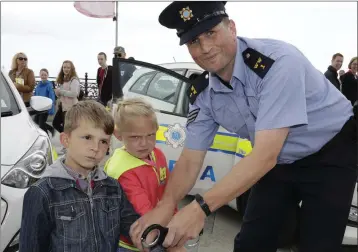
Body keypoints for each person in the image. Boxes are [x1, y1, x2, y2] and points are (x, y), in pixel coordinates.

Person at [129, 2, 357, 252]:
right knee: (251, 242)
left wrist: (200, 208)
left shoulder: (278, 63)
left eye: (211, 33)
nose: (205, 48)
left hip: (331, 152)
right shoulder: (204, 94)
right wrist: (163, 209)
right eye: (194, 41)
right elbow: (190, 160)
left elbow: (265, 155)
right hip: (279, 160)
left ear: (232, 28)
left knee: (319, 245)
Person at [19, 100, 140, 252]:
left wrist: (158, 241)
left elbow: (135, 228)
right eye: (87, 137)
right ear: (65, 140)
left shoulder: (112, 188)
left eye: (103, 141)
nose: (95, 148)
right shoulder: (42, 193)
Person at [104, 98, 184, 252]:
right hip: (133, 243)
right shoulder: (122, 170)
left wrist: (176, 221)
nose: (144, 143)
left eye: (150, 135)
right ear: (118, 135)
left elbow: (169, 192)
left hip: (159, 230)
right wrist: (171, 236)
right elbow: (144, 211)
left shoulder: (157, 154)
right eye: (135, 137)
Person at [52, 60, 81, 136]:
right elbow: (62, 93)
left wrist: (61, 92)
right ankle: (68, 139)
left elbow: (74, 93)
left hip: (71, 108)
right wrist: (57, 93)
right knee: (55, 123)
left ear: (72, 69)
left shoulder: (74, 80)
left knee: (67, 128)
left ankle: (68, 143)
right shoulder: (63, 79)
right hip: (63, 107)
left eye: (68, 67)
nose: (66, 69)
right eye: (64, 67)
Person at [33, 68, 56, 137]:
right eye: (42, 75)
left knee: (41, 124)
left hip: (46, 107)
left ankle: (47, 137)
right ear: (40, 75)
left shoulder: (49, 85)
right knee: (36, 120)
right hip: (39, 107)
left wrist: (51, 108)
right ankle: (51, 129)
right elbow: (35, 95)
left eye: (45, 75)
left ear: (47, 75)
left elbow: (52, 97)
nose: (43, 76)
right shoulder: (38, 85)